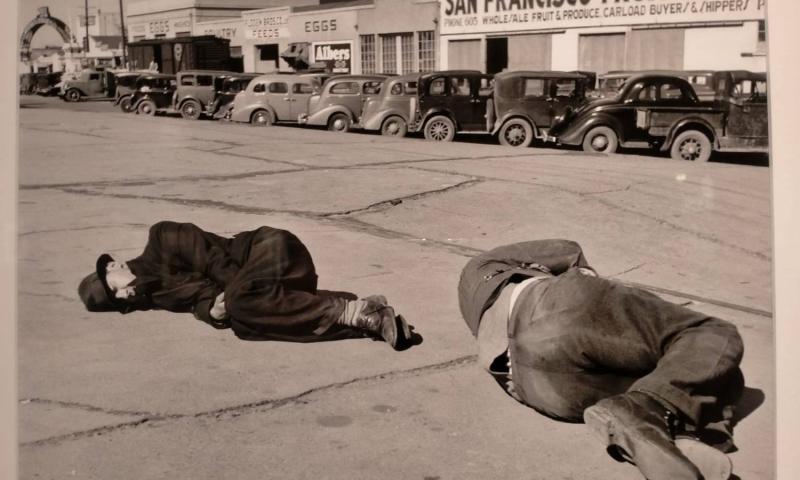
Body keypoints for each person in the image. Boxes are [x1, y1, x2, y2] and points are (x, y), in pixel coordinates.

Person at [458, 239, 744, 480]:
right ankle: (658, 414)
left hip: (536, 388)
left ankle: (663, 433)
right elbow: (569, 251)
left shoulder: (475, 301)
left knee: (678, 372)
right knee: (711, 336)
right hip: (554, 309)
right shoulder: (486, 262)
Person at [78, 221, 411, 349]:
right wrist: (215, 312)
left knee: (241, 305)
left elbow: (217, 266)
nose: (111, 264)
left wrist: (228, 300)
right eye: (119, 301)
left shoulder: (163, 237)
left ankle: (355, 311)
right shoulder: (160, 295)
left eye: (113, 283)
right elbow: (201, 303)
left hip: (274, 250)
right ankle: (368, 320)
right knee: (241, 325)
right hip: (278, 287)